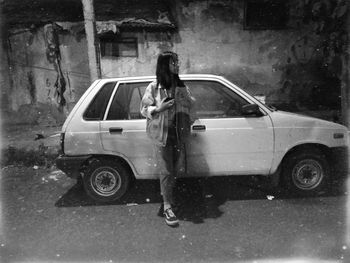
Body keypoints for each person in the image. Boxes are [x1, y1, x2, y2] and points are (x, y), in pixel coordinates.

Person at [140, 51, 195, 226]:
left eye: (177, 62)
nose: (177, 65)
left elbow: (191, 105)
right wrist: (159, 108)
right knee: (166, 171)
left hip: (178, 134)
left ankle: (169, 197)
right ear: (165, 65)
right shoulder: (154, 87)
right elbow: (143, 109)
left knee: (176, 169)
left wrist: (185, 98)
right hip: (161, 135)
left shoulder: (181, 85)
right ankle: (167, 206)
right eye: (173, 62)